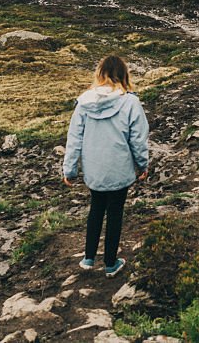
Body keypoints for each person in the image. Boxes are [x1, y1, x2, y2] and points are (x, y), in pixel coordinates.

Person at [63, 55, 149, 278]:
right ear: (124, 74)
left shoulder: (83, 102)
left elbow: (74, 138)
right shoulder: (130, 102)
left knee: (96, 208)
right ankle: (111, 263)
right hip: (120, 168)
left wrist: (70, 170)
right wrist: (142, 165)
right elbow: (138, 138)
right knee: (115, 213)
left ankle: (88, 258)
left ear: (99, 73)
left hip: (94, 169)